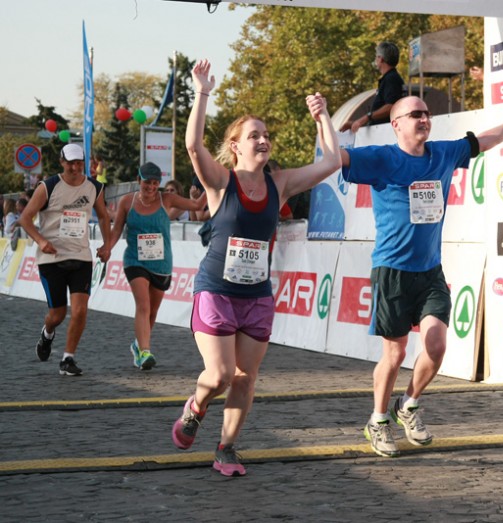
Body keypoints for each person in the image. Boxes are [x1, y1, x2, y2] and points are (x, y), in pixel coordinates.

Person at [339, 94, 503, 457]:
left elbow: (485, 141)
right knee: (395, 354)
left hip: (430, 272)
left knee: (436, 346)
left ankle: (408, 404)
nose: (424, 118)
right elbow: (336, 158)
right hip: (392, 272)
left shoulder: (443, 154)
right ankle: (378, 420)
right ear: (396, 124)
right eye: (415, 114)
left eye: (427, 113)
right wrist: (323, 121)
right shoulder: (382, 158)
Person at [172, 58, 340, 477]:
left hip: (257, 297)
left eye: (266, 135)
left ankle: (226, 449)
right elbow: (193, 146)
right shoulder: (220, 181)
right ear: (235, 146)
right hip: (216, 291)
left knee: (245, 378)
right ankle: (196, 407)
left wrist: (322, 117)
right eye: (254, 135)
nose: (263, 140)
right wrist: (203, 92)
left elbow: (332, 162)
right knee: (220, 375)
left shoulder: (279, 183)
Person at [17, 143, 112, 376]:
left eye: (79, 163)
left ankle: (68, 358)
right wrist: (41, 241)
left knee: (80, 311)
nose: (75, 168)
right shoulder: (48, 186)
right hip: (51, 258)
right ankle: (47, 333)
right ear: (62, 162)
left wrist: (107, 245)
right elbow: (25, 218)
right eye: (70, 163)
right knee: (57, 315)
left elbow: (103, 216)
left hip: (81, 256)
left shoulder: (94, 187)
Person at [108, 162, 206, 371]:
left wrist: (213, 185)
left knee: (152, 311)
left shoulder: (167, 199)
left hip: (161, 263)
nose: (151, 187)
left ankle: (138, 345)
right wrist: (107, 248)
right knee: (143, 305)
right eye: (147, 183)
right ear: (139, 180)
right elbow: (116, 231)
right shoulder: (127, 202)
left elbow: (197, 206)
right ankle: (145, 352)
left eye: (155, 183)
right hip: (135, 261)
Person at [339, 42, 405, 134]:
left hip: (385, 134)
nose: (375, 60)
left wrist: (367, 117)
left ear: (381, 59)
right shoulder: (389, 79)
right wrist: (357, 123)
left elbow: (391, 106)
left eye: (376, 56)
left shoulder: (391, 79)